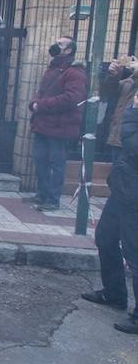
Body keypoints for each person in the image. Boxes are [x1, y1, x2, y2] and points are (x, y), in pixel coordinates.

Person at [82, 96, 138, 335]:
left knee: (134, 252)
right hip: (125, 187)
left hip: (134, 193)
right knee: (105, 236)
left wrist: (134, 112)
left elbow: (133, 143)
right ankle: (114, 293)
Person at [27, 37, 87, 212]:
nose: (55, 45)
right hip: (44, 124)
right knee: (41, 161)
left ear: (68, 50)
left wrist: (41, 105)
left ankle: (53, 199)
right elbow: (43, 91)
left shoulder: (74, 72)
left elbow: (71, 98)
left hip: (60, 126)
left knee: (55, 163)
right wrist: (35, 102)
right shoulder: (54, 68)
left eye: (60, 44)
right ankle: (42, 194)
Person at [99, 54, 138, 163]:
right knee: (117, 173)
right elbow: (107, 93)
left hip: (133, 139)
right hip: (119, 135)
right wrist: (114, 75)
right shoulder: (128, 81)